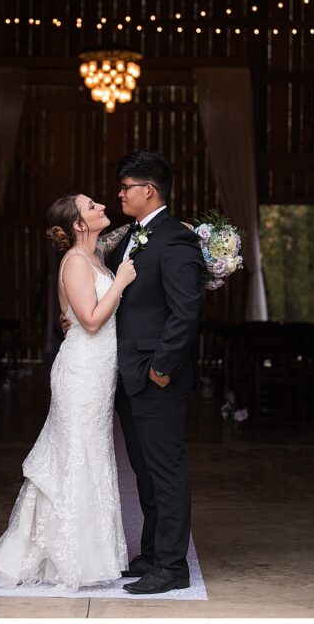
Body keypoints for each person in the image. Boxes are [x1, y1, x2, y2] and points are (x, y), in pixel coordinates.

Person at [0, 194, 136, 591]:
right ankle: (65, 556)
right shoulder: (74, 262)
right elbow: (91, 320)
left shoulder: (96, 252)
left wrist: (148, 228)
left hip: (99, 374)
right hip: (81, 372)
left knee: (92, 454)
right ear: (78, 225)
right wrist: (119, 282)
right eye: (91, 206)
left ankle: (89, 553)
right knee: (74, 456)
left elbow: (118, 235)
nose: (101, 204)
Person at [106, 151, 203, 594]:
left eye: (126, 187)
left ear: (149, 190)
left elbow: (185, 311)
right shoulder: (135, 235)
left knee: (166, 471)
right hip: (128, 372)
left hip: (154, 374)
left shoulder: (176, 240)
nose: (121, 194)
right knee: (144, 471)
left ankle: (172, 567)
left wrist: (162, 368)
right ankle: (150, 555)